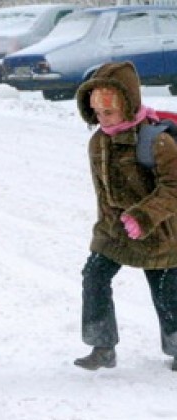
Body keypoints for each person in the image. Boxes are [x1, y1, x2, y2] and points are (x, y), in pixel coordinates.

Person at [74, 61, 177, 371]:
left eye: (110, 113)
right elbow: (103, 193)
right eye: (98, 114)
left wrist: (144, 217)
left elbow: (173, 187)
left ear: (129, 105)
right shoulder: (98, 143)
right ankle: (102, 345)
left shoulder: (156, 142)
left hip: (159, 232)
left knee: (166, 293)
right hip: (114, 231)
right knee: (94, 276)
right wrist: (107, 229)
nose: (103, 121)